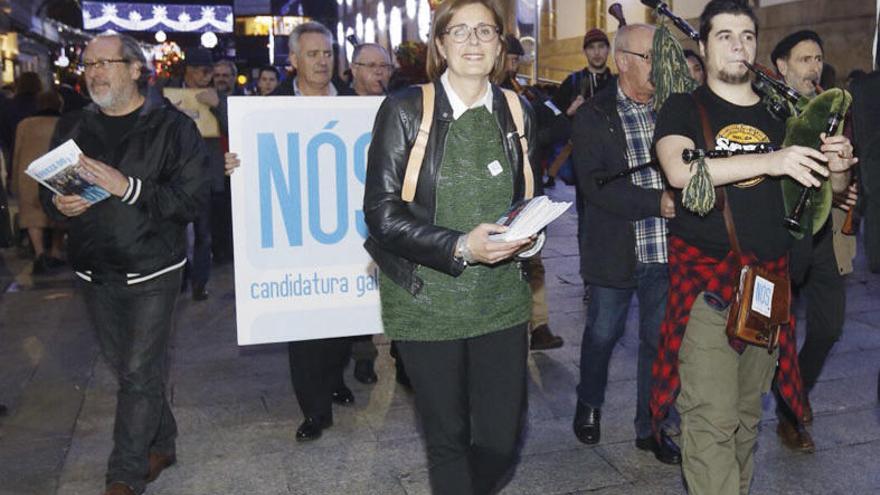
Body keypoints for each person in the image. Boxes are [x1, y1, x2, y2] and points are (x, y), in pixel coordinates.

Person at [650, 2, 856, 493]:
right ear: (703, 46)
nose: (737, 45)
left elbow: (828, 187)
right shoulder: (684, 107)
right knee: (711, 420)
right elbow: (682, 172)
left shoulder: (781, 112)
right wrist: (775, 158)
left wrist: (841, 161)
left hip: (768, 288)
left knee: (745, 419)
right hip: (709, 289)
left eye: (746, 35)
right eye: (724, 35)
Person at [363, 1, 539, 492]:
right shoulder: (403, 110)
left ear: (501, 44)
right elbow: (380, 214)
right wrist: (461, 246)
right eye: (459, 31)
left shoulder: (517, 111)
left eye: (486, 31)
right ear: (440, 44)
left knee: (502, 440)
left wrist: (530, 231)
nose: (474, 41)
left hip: (501, 301)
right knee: (448, 437)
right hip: (425, 301)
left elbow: (527, 196)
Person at [39, 33, 208, 495]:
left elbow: (190, 199)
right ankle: (163, 440)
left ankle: (124, 474)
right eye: (88, 63)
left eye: (105, 62)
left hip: (153, 267)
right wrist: (60, 206)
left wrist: (126, 186)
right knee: (135, 370)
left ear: (137, 69)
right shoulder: (73, 125)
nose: (94, 72)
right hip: (93, 269)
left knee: (135, 373)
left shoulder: (173, 128)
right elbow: (46, 193)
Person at [570, 23, 680, 465]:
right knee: (602, 333)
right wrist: (659, 202)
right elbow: (595, 188)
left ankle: (650, 426)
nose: (660, 66)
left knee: (658, 341)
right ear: (623, 61)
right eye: (651, 56)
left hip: (665, 251)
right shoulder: (593, 116)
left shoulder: (673, 111)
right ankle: (589, 402)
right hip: (615, 247)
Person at [770, 29, 856, 452]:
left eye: (818, 58)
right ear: (781, 66)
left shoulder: (832, 111)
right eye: (804, 59)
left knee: (828, 325)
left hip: (821, 236)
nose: (814, 67)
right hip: (781, 237)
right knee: (776, 330)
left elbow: (841, 178)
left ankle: (793, 389)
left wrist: (846, 179)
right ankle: (788, 412)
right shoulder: (766, 110)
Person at [166, 48, 220, 301]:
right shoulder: (166, 93)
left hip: (204, 175)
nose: (207, 76)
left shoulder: (217, 95)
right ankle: (179, 278)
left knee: (203, 233)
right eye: (202, 70)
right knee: (175, 231)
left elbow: (232, 125)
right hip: (174, 175)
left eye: (210, 71)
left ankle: (200, 283)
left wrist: (217, 105)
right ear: (188, 71)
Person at [12, 90, 66, 274]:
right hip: (56, 172)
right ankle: (56, 251)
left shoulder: (25, 125)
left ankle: (39, 253)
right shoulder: (64, 123)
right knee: (59, 213)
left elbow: (17, 152)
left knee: (32, 216)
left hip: (29, 173)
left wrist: (13, 178)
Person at [552, 28, 614, 118]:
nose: (596, 53)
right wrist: (569, 112)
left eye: (601, 46)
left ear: (608, 49)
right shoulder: (572, 81)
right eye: (591, 47)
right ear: (585, 51)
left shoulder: (616, 83)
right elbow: (551, 112)